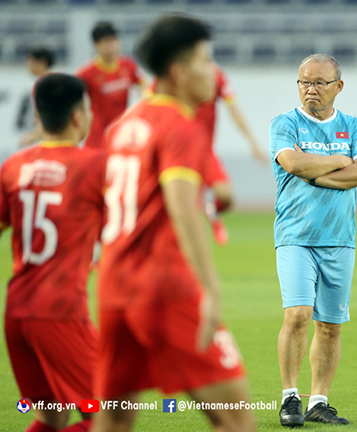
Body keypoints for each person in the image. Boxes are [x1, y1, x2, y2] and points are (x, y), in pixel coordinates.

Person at [93, 15, 255, 432]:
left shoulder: (125, 124)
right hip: (164, 287)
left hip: (113, 287)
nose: (213, 72)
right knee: (236, 416)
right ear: (179, 72)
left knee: (113, 416)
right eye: (206, 60)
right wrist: (211, 290)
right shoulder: (180, 127)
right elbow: (185, 210)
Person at [270, 54, 357, 427]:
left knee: (330, 325)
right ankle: (289, 398)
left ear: (338, 87)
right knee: (298, 315)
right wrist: (338, 161)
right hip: (295, 235)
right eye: (304, 82)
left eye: (319, 83)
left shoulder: (353, 124)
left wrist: (317, 170)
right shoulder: (285, 123)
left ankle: (319, 401)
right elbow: (294, 165)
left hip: (340, 238)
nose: (310, 89)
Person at [1, 73, 105, 432]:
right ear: (79, 117)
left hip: (16, 314)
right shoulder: (94, 168)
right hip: (59, 312)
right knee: (107, 414)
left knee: (53, 414)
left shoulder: (13, 168)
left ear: (38, 116)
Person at [145, 64, 269, 244]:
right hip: (178, 149)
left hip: (204, 151)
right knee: (180, 204)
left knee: (226, 196)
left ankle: (211, 211)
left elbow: (233, 108)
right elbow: (149, 103)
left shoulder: (214, 74)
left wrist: (253, 142)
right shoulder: (172, 75)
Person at [76, 21, 145, 149]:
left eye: (114, 40)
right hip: (97, 138)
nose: (111, 46)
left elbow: (145, 88)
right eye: (106, 41)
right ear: (96, 45)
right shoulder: (85, 73)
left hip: (122, 134)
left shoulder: (128, 66)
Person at [16, 46, 55, 148]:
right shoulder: (47, 82)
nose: (27, 64)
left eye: (30, 60)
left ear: (42, 62)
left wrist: (37, 135)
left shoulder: (47, 84)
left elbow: (48, 114)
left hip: (54, 138)